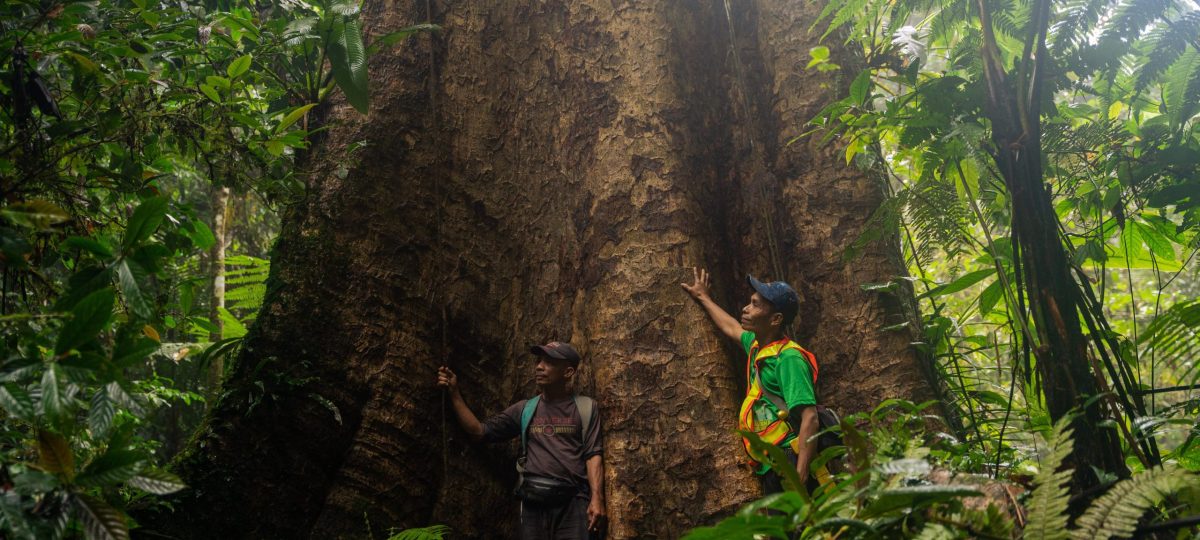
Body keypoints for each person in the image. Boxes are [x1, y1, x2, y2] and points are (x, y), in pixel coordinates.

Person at [437, 341, 606, 539]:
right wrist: (454, 393)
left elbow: (593, 454)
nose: (539, 366)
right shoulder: (525, 409)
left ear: (568, 372)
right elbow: (479, 432)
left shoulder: (586, 408)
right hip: (533, 502)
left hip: (573, 503)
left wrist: (597, 498)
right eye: (539, 360)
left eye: (549, 362)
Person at [681, 268, 822, 493]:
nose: (746, 308)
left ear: (776, 319)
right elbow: (731, 327)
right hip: (770, 463)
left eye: (756, 305)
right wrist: (702, 297)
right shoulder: (758, 346)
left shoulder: (788, 358)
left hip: (790, 455)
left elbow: (810, 417)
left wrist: (800, 476)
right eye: (750, 302)